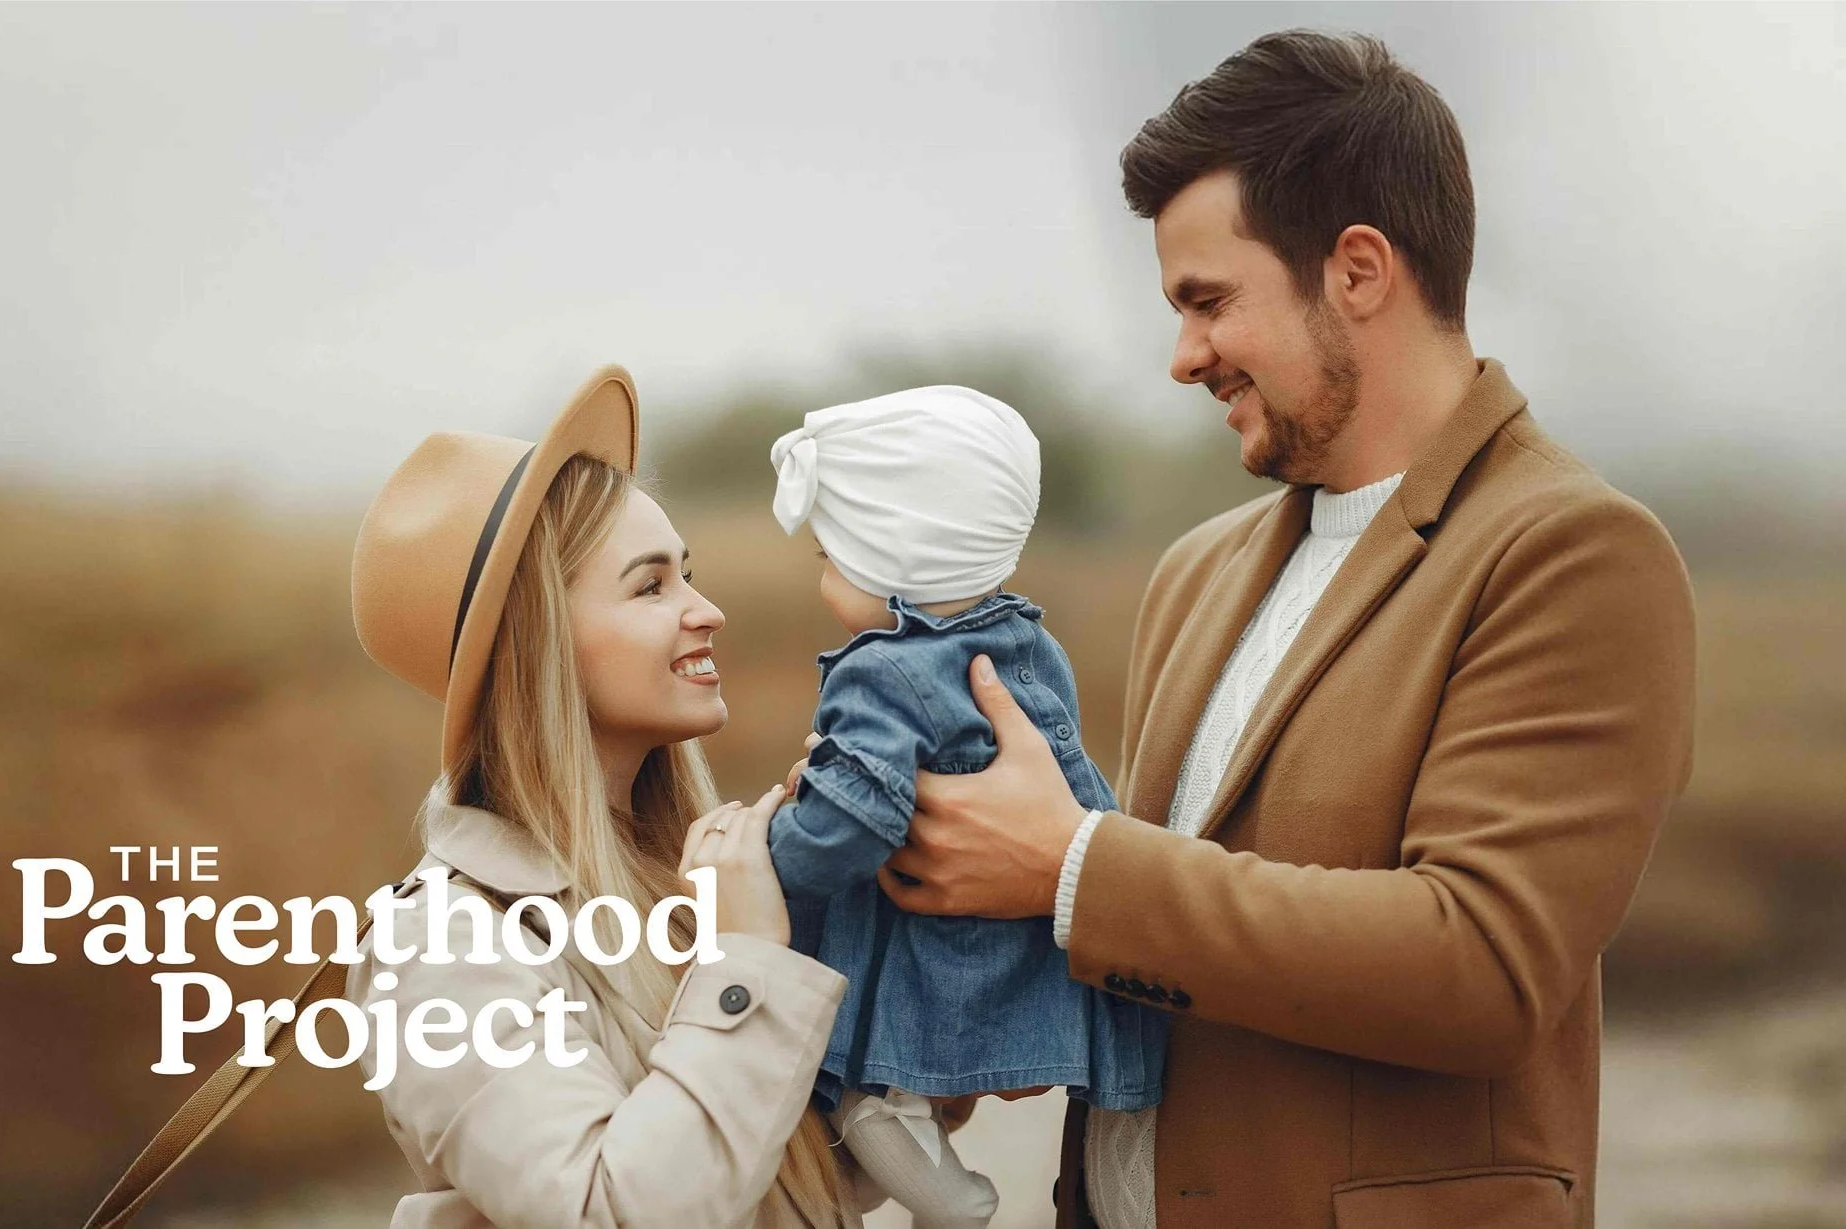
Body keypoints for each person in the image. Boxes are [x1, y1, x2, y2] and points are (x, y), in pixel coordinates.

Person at [874, 31, 1696, 1229]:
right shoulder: (1192, 573)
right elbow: (1150, 947)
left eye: (1207, 301)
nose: (1181, 356)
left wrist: (1067, 865)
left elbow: (1477, 967)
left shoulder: (1572, 555)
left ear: (1356, 269)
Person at [344, 367, 883, 1228]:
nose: (706, 610)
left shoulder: (684, 867)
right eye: (651, 584)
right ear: (542, 645)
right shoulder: (441, 945)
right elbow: (612, 1210)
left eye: (688, 575)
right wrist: (748, 969)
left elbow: (775, 1178)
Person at [763, 386, 1168, 1227]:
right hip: (1013, 943)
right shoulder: (1028, 638)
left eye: (833, 553)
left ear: (891, 557)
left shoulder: (879, 671)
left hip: (925, 948)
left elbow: (852, 825)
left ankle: (954, 1204)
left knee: (870, 1099)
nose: (821, 571)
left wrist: (771, 849)